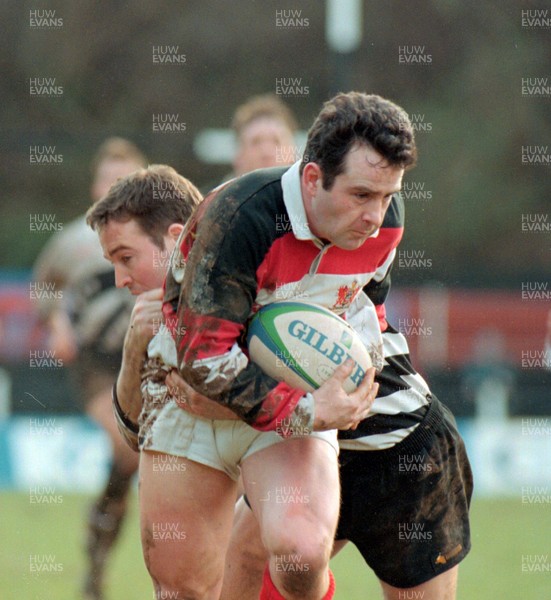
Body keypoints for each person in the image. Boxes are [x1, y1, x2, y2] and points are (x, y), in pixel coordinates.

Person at [168, 92, 474, 600]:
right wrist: (306, 410)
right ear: (312, 178)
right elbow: (202, 356)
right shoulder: (241, 220)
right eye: (361, 195)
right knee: (252, 560)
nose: (377, 215)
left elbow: (368, 310)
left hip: (403, 455)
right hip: (303, 437)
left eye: (386, 194)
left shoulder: (386, 220)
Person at [90, 103, 384, 598]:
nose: (120, 278)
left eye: (126, 259)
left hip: (279, 425)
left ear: (176, 239)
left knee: (298, 555)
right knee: (178, 586)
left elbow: (358, 333)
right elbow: (134, 431)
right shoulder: (150, 313)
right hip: (193, 437)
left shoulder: (266, 251)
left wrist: (317, 405)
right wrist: (133, 352)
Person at [32, 137, 147, 600]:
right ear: (95, 186)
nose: (116, 187)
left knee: (131, 455)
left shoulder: (160, 239)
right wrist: (57, 322)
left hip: (149, 365)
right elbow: (44, 286)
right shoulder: (73, 241)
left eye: (126, 179)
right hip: (97, 367)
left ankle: (100, 534)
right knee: (128, 445)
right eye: (108, 179)